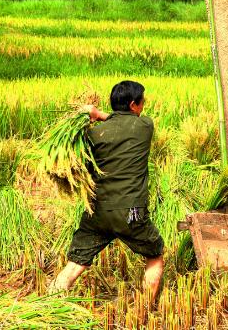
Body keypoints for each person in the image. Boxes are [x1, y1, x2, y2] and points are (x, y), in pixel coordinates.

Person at [48, 80, 165, 300]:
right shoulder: (144, 126)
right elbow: (123, 122)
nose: (143, 105)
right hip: (131, 213)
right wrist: (98, 113)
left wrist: (92, 113)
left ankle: (49, 302)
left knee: (75, 263)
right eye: (142, 102)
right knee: (155, 253)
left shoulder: (92, 135)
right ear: (133, 105)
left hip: (97, 211)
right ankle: (146, 309)